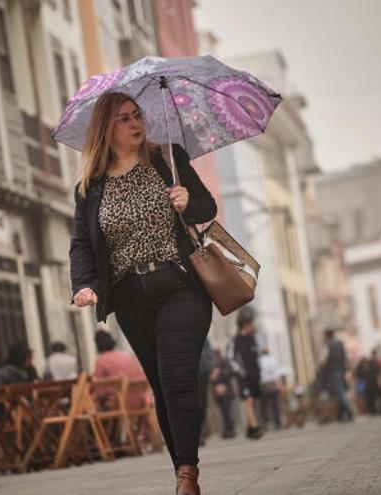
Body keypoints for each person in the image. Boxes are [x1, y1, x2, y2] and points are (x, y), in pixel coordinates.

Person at [69, 92, 216, 495]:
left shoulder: (168, 160)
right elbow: (82, 243)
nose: (136, 123)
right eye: (124, 119)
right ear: (106, 129)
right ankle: (182, 467)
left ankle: (187, 474)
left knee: (178, 377)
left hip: (180, 284)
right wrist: (84, 284)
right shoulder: (89, 188)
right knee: (161, 386)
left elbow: (207, 207)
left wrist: (188, 201)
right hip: (130, 297)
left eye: (138, 116)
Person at [227, 307, 264, 439]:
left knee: (252, 401)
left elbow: (257, 356)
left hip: (254, 376)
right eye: (251, 323)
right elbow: (231, 358)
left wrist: (259, 371)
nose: (253, 326)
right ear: (245, 324)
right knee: (248, 401)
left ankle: (250, 430)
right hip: (243, 377)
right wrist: (240, 372)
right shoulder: (235, 341)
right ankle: (255, 428)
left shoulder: (253, 339)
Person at [93, 330, 148, 410]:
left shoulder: (101, 360)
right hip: (141, 401)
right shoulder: (127, 356)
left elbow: (100, 391)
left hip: (120, 403)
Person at [323, 329, 354, 422]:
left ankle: (349, 413)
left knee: (339, 394)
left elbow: (324, 359)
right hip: (341, 371)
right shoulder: (340, 344)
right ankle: (340, 415)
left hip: (333, 372)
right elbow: (345, 357)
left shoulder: (328, 345)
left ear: (327, 335)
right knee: (338, 393)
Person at [211, 350, 237, 439]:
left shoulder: (224, 362)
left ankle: (230, 430)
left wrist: (219, 373)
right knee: (224, 412)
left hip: (226, 390)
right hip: (218, 392)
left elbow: (231, 373)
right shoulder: (212, 365)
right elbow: (212, 378)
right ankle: (227, 430)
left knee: (227, 411)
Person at [197, 340, 218, 444]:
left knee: (203, 402)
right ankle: (197, 434)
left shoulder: (199, 327)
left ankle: (201, 430)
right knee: (193, 402)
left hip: (203, 371)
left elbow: (209, 350)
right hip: (187, 372)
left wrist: (213, 367)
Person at [258, 348, 283, 430]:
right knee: (275, 405)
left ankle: (266, 422)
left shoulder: (260, 361)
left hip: (264, 385)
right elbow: (277, 373)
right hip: (273, 384)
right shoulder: (273, 360)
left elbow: (259, 374)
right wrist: (279, 384)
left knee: (264, 406)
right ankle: (277, 422)